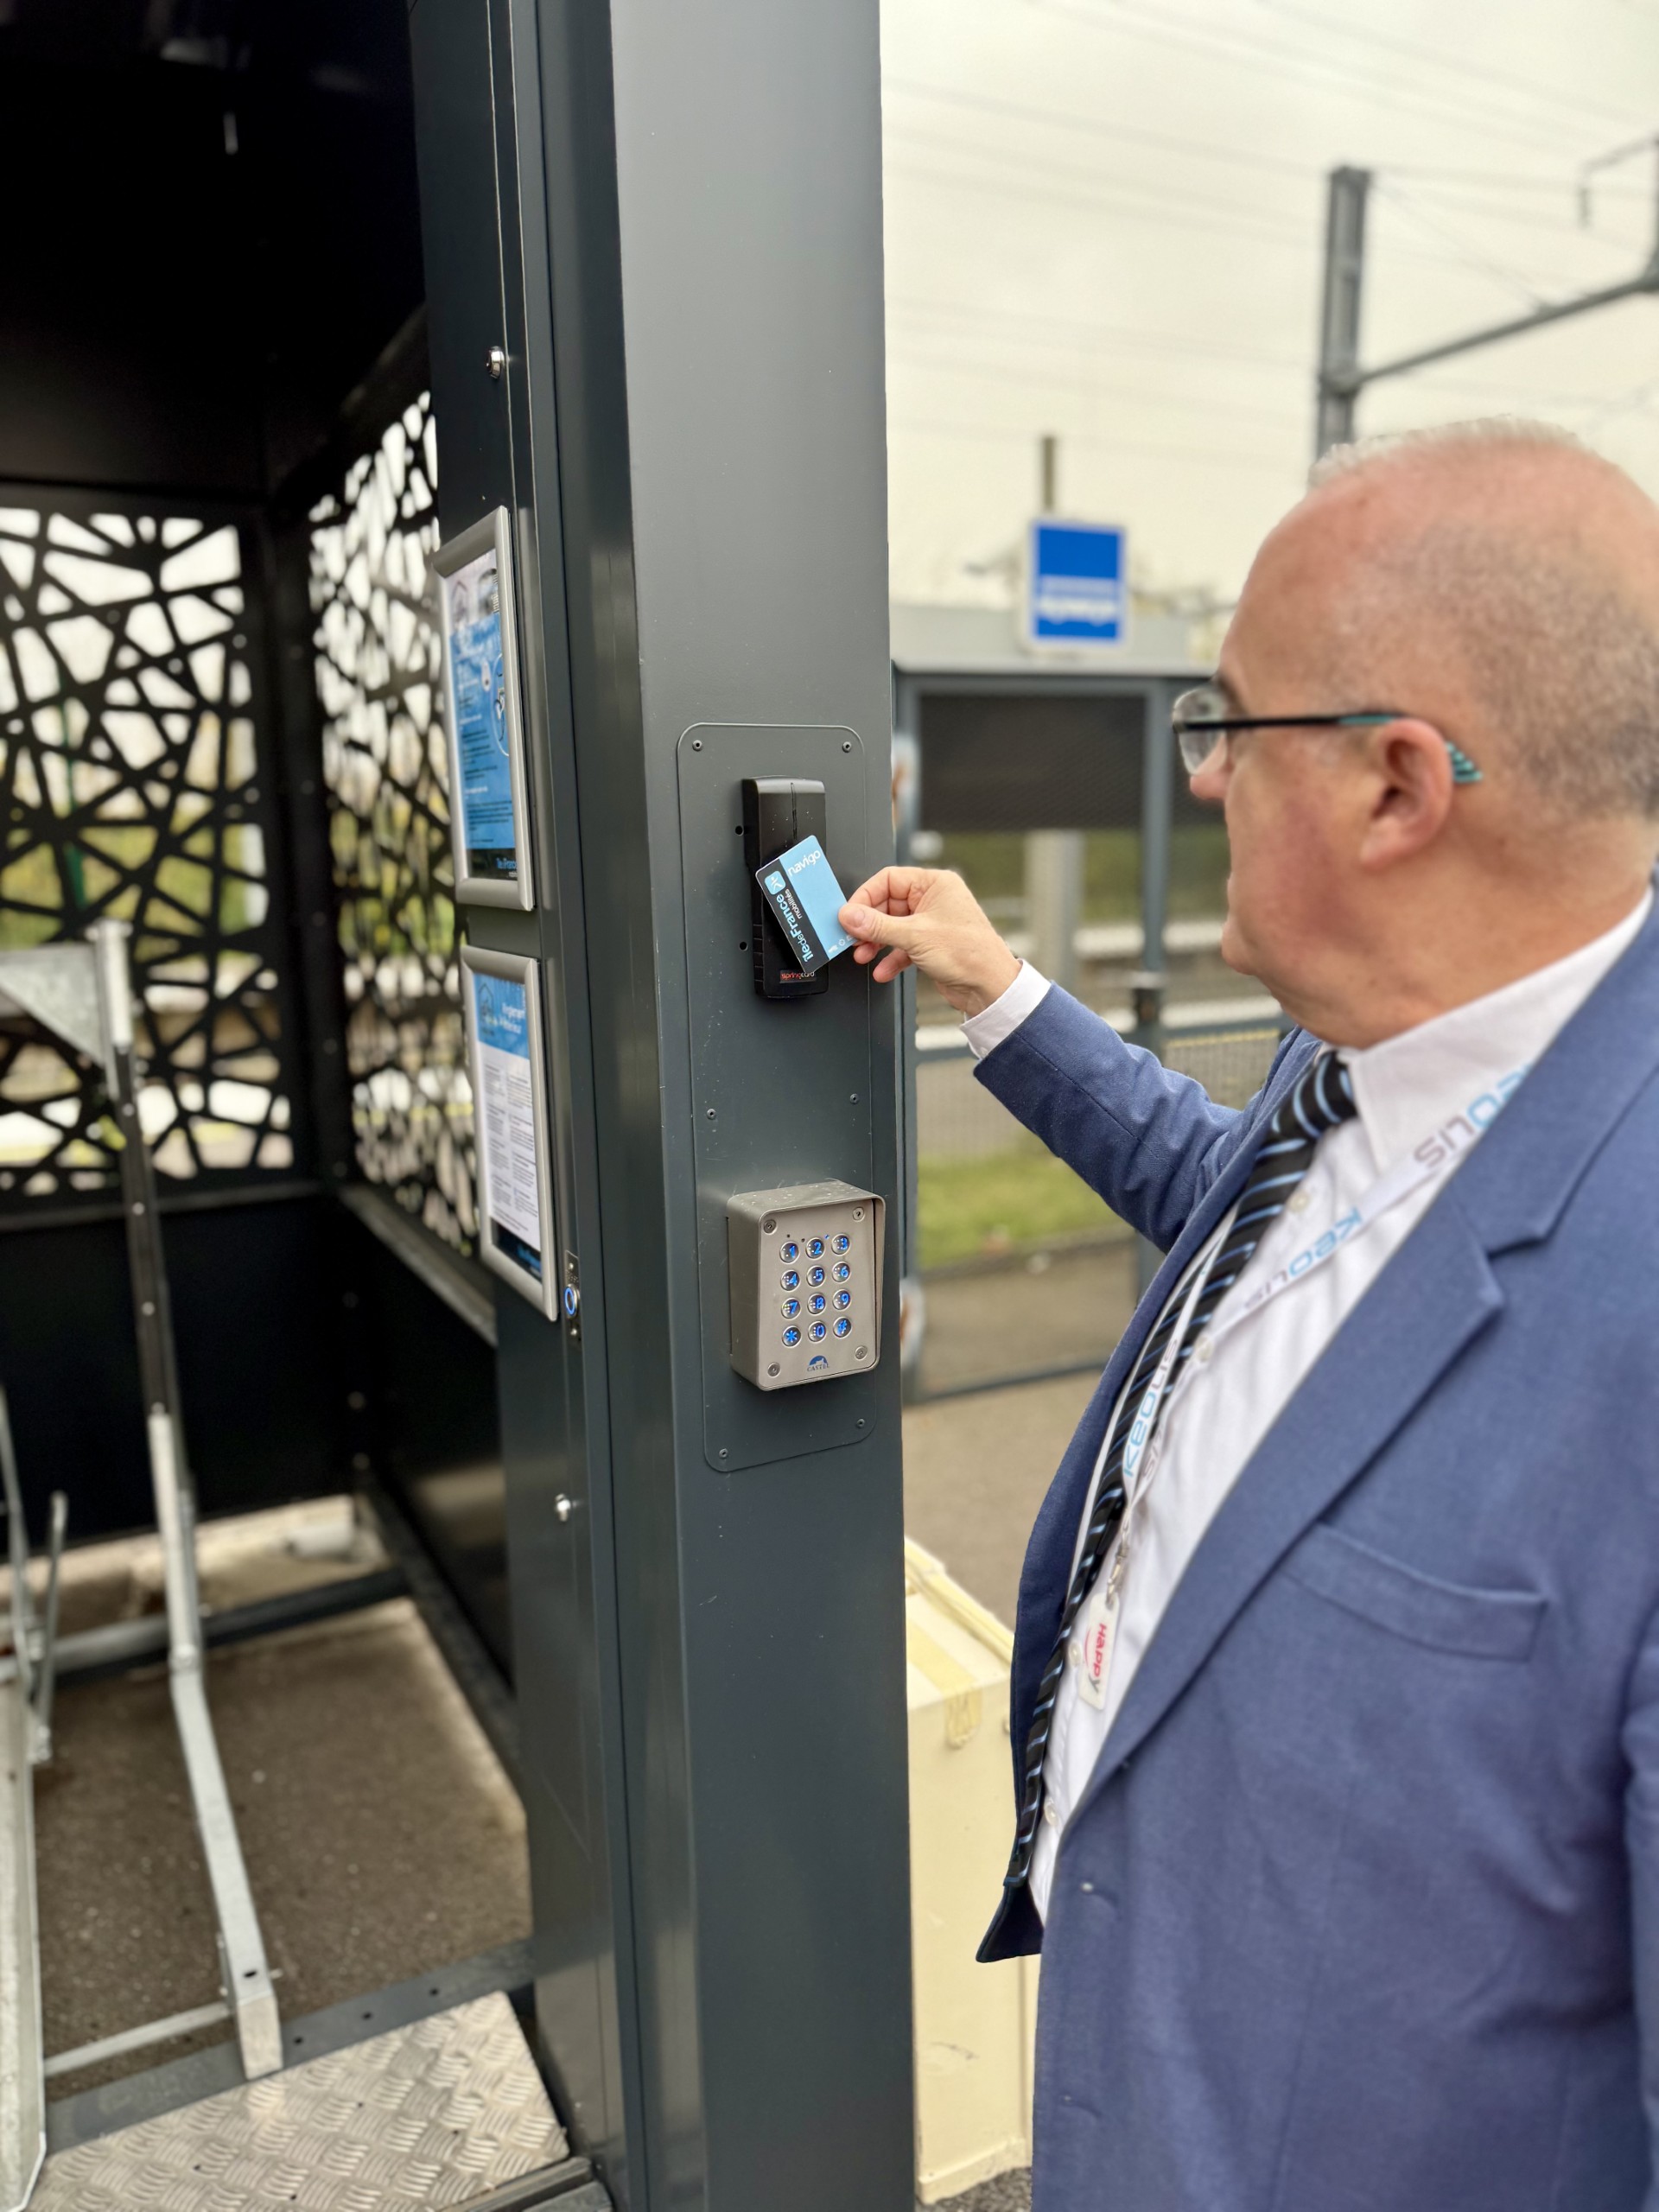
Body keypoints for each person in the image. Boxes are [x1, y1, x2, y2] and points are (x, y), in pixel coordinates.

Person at [840, 421, 1659, 2212]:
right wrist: (1002, 991)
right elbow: (1244, 1210)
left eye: (1227, 724)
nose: (1202, 777)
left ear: (1395, 788)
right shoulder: (1369, 1044)